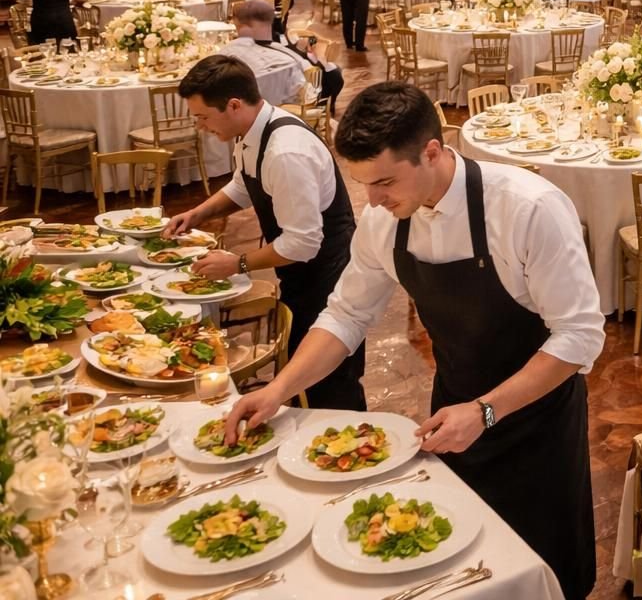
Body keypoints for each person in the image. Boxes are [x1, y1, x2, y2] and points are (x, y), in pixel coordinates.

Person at [221, 84, 602, 600]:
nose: (373, 200)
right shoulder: (384, 221)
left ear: (432, 152)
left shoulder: (527, 208)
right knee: (467, 564)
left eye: (384, 182)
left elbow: (578, 337)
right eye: (364, 184)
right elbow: (346, 315)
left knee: (545, 567)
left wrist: (486, 411)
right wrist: (278, 389)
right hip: (452, 409)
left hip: (538, 418)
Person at [168, 55, 365, 411]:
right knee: (303, 377)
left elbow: (302, 244)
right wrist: (197, 215)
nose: (201, 127)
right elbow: (243, 185)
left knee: (329, 383)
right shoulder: (252, 133)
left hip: (328, 275)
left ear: (234, 105)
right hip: (301, 273)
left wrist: (236, 264)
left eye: (203, 117)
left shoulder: (285, 152)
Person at [218, 0, 307, 106]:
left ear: (237, 22)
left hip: (241, 112)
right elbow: (306, 94)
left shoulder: (225, 54)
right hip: (286, 112)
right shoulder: (292, 59)